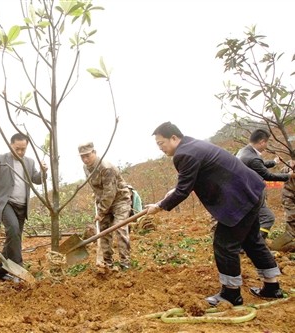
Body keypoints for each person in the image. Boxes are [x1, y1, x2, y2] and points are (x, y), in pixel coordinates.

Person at [145, 122, 285, 306]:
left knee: (224, 245)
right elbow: (189, 180)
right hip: (251, 191)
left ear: (174, 138)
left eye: (161, 143)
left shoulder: (183, 154)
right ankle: (272, 287)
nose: (160, 148)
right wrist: (170, 194)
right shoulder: (193, 145)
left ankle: (231, 294)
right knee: (252, 241)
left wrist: (160, 206)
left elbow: (183, 190)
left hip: (239, 199)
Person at [0, 133, 48, 281]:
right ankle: (20, 270)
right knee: (14, 231)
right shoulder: (0, 159)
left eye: (24, 149)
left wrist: (43, 171)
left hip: (22, 206)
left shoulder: (29, 162)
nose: (21, 152)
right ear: (11, 145)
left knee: (13, 238)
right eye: (18, 149)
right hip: (6, 204)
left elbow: (37, 179)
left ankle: (0, 273)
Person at [78, 142, 132, 270]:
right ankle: (107, 262)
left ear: (94, 152)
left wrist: (101, 212)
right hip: (103, 201)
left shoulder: (106, 168)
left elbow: (110, 192)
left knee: (120, 228)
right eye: (82, 157)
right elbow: (97, 187)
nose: (85, 159)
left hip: (120, 200)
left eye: (87, 155)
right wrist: (97, 196)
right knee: (103, 231)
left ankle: (125, 262)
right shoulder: (86, 168)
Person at [236, 129, 291, 239]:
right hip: (251, 195)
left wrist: (274, 162)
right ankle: (256, 245)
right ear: (262, 142)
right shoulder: (253, 158)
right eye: (266, 143)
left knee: (252, 221)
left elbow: (258, 165)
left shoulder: (244, 151)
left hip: (243, 193)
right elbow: (268, 176)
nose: (266, 146)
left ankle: (247, 244)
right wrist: (289, 176)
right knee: (268, 218)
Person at [270, 158, 295, 252]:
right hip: (289, 196)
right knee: (292, 217)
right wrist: (289, 173)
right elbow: (281, 173)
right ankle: (288, 238)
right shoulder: (287, 166)